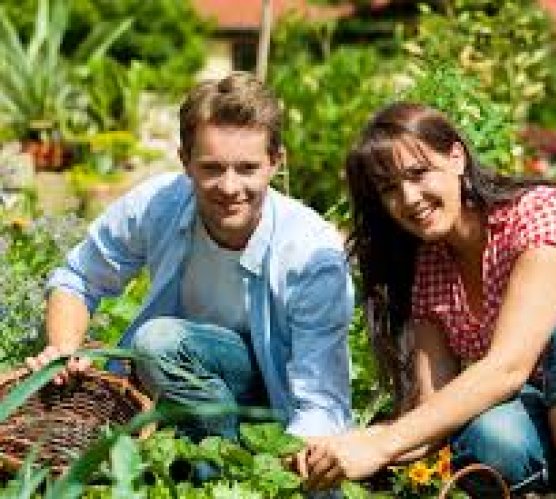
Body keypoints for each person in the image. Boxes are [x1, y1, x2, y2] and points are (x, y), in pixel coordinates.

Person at [299, 102, 556, 498]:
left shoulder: (538, 213)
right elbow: (433, 411)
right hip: (547, 426)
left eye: (418, 173)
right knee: (487, 436)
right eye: (390, 189)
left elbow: (508, 368)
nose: (409, 198)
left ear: (457, 157)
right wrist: (345, 448)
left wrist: (381, 445)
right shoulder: (430, 265)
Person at [26, 72, 354, 443]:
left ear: (275, 162)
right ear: (185, 161)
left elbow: (322, 401)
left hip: (275, 394)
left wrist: (287, 467)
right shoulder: (157, 205)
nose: (230, 188)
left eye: (247, 169)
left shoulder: (312, 254)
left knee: (158, 342)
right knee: (160, 350)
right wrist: (63, 352)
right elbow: (79, 277)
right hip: (183, 380)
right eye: (211, 168)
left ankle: (219, 461)